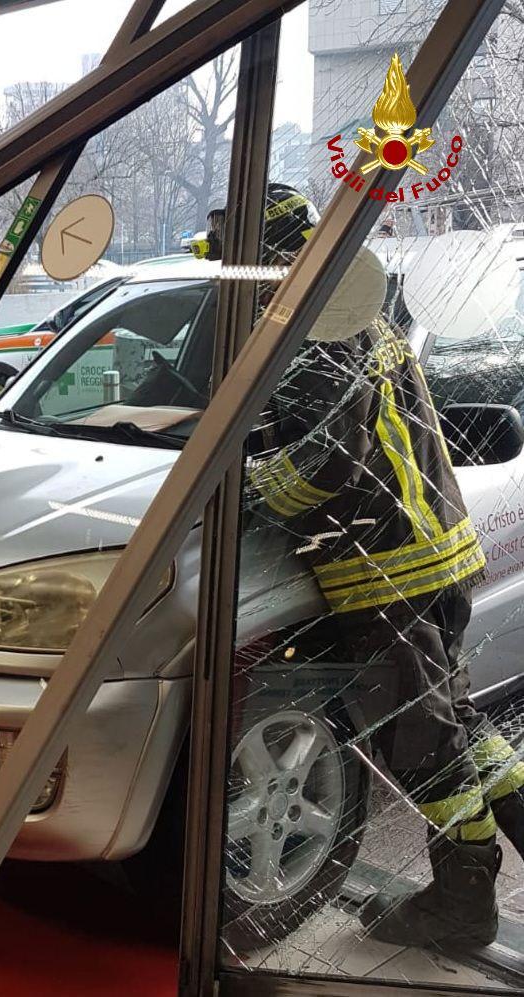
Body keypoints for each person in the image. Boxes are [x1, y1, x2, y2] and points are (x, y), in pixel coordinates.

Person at [242, 184, 524, 948]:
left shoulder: (310, 326)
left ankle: (460, 905)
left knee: (421, 744)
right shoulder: (351, 304)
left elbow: (325, 456)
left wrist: (243, 488)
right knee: (456, 722)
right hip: (433, 548)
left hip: (383, 565)